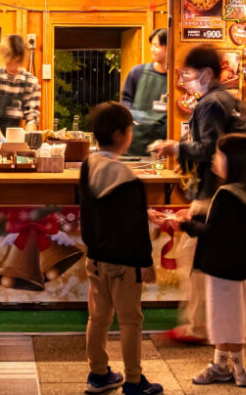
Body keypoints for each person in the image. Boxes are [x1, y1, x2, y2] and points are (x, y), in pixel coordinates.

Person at [151, 43, 246, 344]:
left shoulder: (209, 103)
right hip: (232, 193)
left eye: (190, 73)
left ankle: (199, 327)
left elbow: (211, 149)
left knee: (196, 259)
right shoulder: (232, 101)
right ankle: (207, 326)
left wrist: (175, 147)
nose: (186, 78)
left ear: (207, 73)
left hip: (213, 192)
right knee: (207, 260)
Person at [167, 134, 246, 387]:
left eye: (219, 155)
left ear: (234, 160)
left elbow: (214, 233)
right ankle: (221, 365)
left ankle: (238, 369)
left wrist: (184, 225)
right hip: (238, 267)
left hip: (222, 268)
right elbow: (224, 229)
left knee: (224, 319)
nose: (214, 158)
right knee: (231, 316)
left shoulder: (228, 195)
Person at [81, 102, 162, 395]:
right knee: (130, 320)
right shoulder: (130, 179)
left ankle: (98, 374)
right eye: (129, 130)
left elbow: (99, 210)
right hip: (126, 263)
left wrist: (145, 212)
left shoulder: (88, 165)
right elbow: (134, 229)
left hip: (95, 259)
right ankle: (133, 380)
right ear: (120, 135)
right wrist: (147, 263)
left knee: (98, 317)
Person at [119, 28, 168, 157]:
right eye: (152, 45)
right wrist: (136, 115)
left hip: (161, 145)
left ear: (169, 47)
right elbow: (125, 100)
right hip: (135, 141)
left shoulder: (177, 79)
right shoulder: (138, 72)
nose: (152, 49)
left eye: (156, 46)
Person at [0, 34, 41, 136]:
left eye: (18, 62)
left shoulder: (30, 82)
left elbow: (32, 117)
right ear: (5, 58)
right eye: (11, 62)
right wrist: (2, 141)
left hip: (15, 135)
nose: (14, 67)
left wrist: (27, 140)